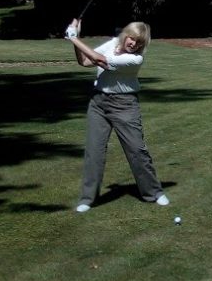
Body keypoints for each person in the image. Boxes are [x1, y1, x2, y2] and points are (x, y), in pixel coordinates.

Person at [65, 18, 169, 213]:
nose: (134, 44)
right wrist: (75, 39)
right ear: (125, 35)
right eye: (132, 38)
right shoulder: (113, 43)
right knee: (94, 152)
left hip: (125, 105)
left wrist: (74, 38)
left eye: (139, 42)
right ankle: (88, 198)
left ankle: (153, 192)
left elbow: (100, 61)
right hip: (98, 103)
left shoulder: (135, 59)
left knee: (137, 150)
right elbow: (85, 61)